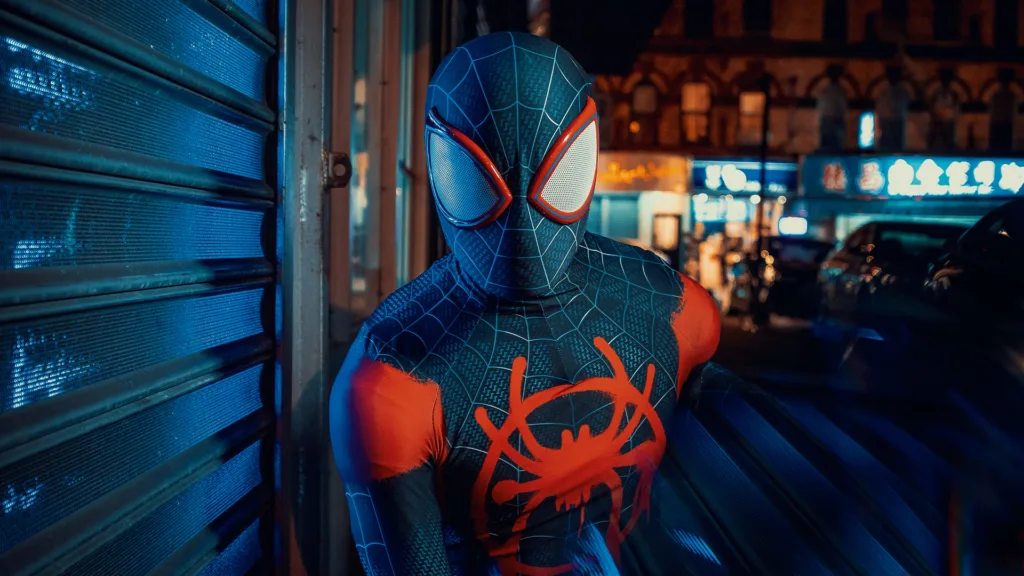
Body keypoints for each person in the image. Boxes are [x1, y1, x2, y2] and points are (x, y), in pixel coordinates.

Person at [330, 32, 722, 575]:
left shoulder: (391, 382)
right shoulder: (679, 310)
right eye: (479, 184)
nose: (522, 231)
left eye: (553, 181)